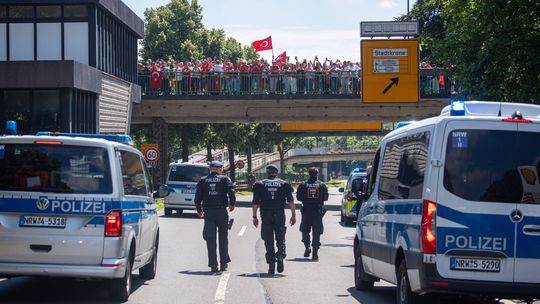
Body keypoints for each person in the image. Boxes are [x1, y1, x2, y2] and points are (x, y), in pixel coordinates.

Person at [252, 164, 296, 274]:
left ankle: (271, 265)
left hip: (266, 214)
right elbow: (291, 201)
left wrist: (254, 217)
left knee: (268, 239)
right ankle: (280, 255)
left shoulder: (260, 184)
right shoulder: (284, 184)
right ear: (276, 172)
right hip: (279, 214)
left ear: (267, 172)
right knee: (280, 236)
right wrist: (293, 215)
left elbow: (255, 203)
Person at [194, 161, 236, 273]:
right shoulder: (224, 179)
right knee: (223, 238)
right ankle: (224, 263)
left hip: (209, 213)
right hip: (222, 212)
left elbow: (197, 197)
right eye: (221, 168)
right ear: (218, 169)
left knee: (210, 240)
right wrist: (232, 204)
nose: (222, 170)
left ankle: (213, 265)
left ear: (210, 169)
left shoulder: (203, 180)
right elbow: (231, 192)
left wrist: (199, 209)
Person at [296, 168, 328, 260]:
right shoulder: (322, 185)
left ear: (309, 174)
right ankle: (315, 253)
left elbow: (298, 198)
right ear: (317, 174)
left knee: (305, 230)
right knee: (316, 232)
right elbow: (325, 198)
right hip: (317, 212)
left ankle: (307, 247)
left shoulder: (303, 185)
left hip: (306, 210)